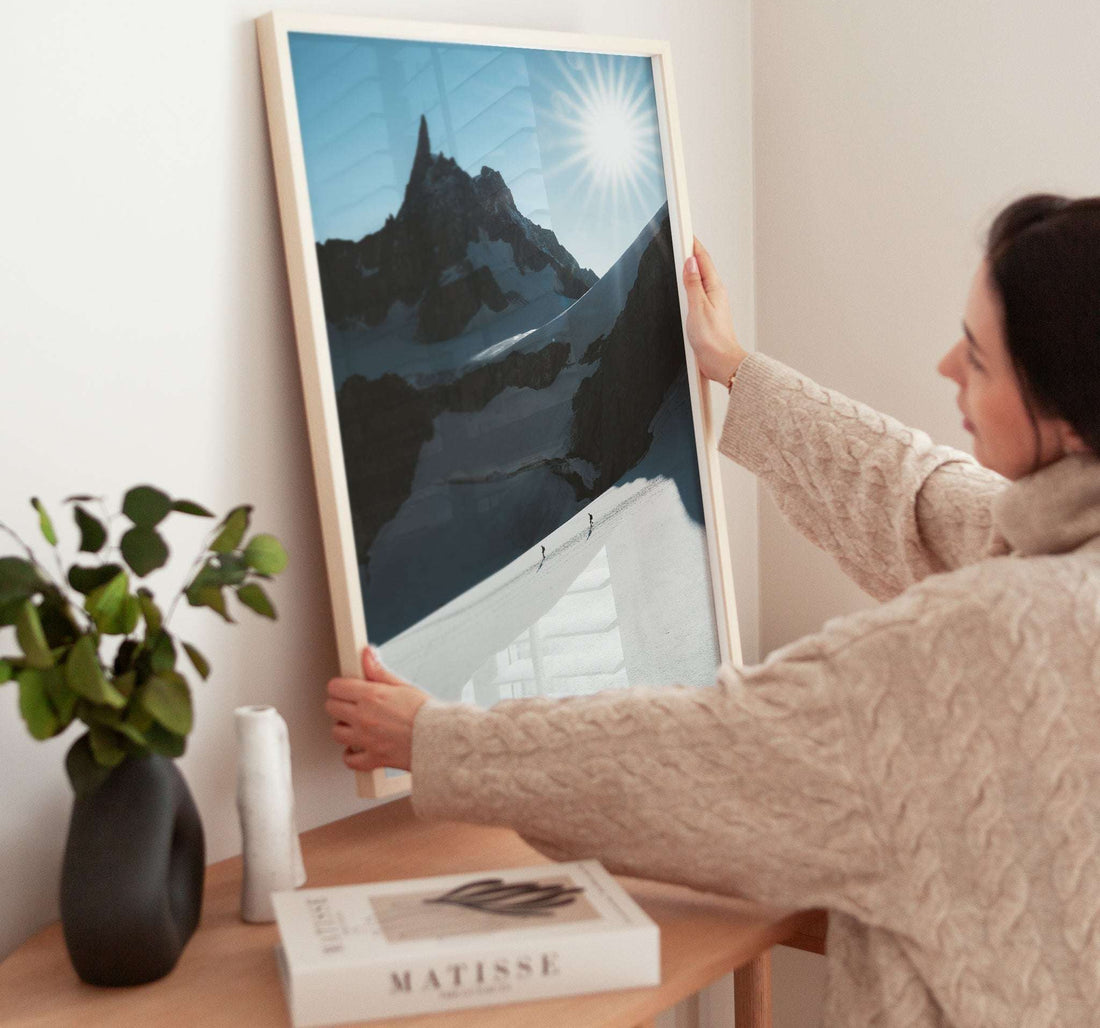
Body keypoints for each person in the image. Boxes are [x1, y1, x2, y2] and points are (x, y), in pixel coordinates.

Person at [325, 194, 1100, 1027]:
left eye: (980, 360)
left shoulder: (980, 646)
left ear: (1065, 415)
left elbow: (705, 756)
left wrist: (434, 741)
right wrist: (736, 369)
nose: (948, 366)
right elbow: (920, 499)